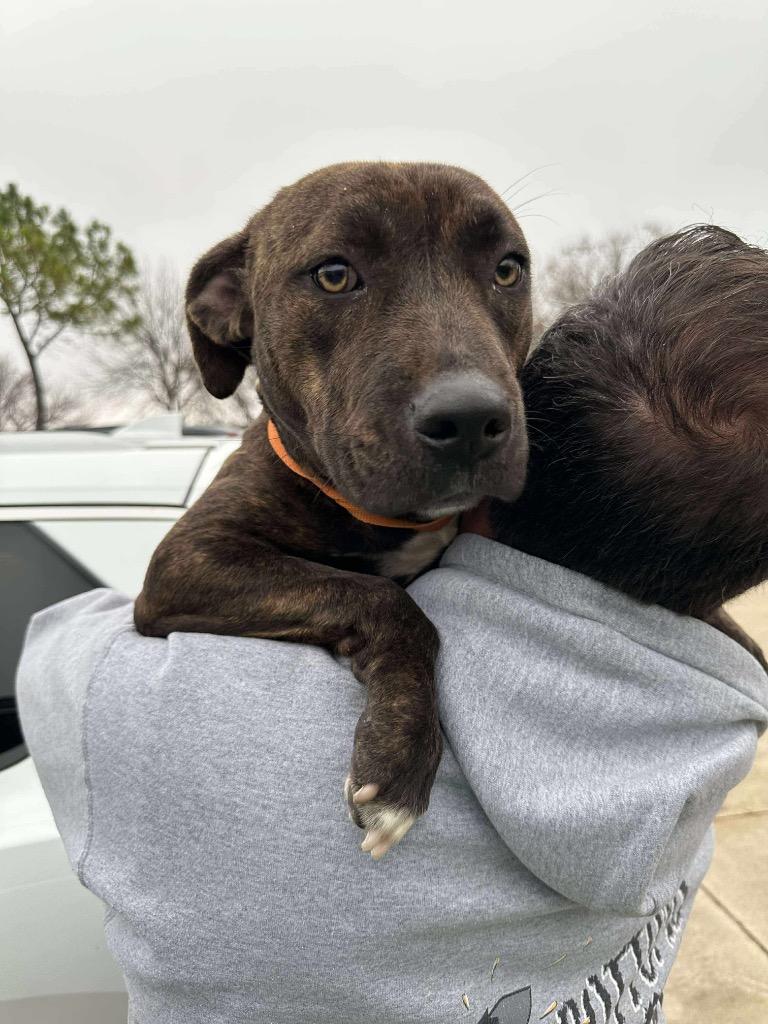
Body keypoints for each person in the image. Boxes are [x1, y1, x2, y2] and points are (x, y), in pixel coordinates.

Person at [17, 226, 768, 1024]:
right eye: (336, 276)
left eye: (503, 271)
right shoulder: (708, 722)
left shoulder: (158, 709)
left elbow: (64, 643)